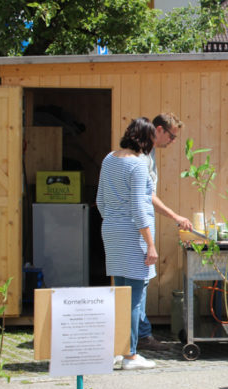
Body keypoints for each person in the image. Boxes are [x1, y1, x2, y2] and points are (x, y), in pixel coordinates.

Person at [97, 118, 158, 370]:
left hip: (111, 230)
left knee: (119, 293)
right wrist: (151, 244)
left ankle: (117, 350)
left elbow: (100, 200)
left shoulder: (109, 159)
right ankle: (131, 355)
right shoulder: (138, 165)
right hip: (133, 234)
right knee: (133, 296)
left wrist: (113, 221)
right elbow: (138, 208)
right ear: (145, 140)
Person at [137, 113, 192, 352]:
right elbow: (146, 197)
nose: (172, 141)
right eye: (171, 136)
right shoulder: (141, 156)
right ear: (158, 130)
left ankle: (140, 333)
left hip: (143, 222)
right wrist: (175, 216)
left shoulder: (149, 154)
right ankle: (140, 336)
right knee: (139, 281)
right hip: (139, 224)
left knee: (142, 280)